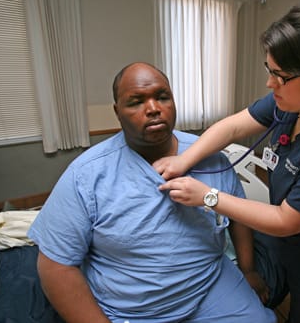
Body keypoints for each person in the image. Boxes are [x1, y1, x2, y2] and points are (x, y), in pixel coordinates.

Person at [154, 0, 300, 323]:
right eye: (270, 69)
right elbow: (235, 125)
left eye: (280, 75)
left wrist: (207, 197)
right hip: (292, 247)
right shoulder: (294, 101)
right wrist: (185, 160)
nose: (270, 83)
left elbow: (285, 220)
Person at [27, 62, 276, 323]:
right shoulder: (86, 175)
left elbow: (237, 216)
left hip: (210, 287)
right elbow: (55, 265)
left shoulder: (209, 157)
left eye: (162, 97)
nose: (154, 109)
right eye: (136, 102)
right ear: (118, 112)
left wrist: (248, 270)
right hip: (131, 308)